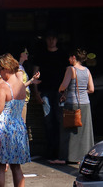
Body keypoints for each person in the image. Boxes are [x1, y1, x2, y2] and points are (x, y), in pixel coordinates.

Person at [0, 54, 30, 187]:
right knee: (16, 167)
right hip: (18, 127)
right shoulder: (21, 85)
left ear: (6, 68)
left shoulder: (3, 86)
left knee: (0, 168)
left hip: (4, 128)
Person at [31, 31, 69, 162]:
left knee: (60, 121)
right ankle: (50, 152)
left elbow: (68, 73)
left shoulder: (63, 54)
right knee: (48, 121)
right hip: (45, 90)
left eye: (54, 38)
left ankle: (61, 152)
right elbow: (35, 73)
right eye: (49, 38)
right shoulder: (41, 54)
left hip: (60, 91)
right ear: (46, 40)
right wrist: (36, 92)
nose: (52, 41)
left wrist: (66, 91)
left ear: (57, 40)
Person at [56, 48, 95, 164]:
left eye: (70, 57)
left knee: (68, 131)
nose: (68, 59)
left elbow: (63, 86)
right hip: (85, 104)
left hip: (72, 103)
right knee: (83, 132)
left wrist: (61, 90)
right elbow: (91, 89)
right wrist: (82, 91)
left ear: (74, 57)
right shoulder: (87, 70)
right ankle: (82, 157)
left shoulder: (71, 69)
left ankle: (66, 158)